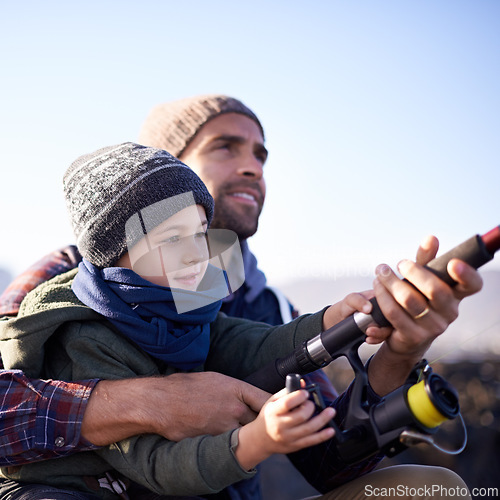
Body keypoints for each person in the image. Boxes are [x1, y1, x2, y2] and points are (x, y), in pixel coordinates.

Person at [0, 143, 472, 499]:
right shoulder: (75, 317)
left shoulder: (202, 293)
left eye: (201, 232)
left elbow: (257, 347)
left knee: (436, 487)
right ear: (111, 255)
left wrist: (340, 320)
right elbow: (155, 463)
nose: (251, 166)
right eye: (225, 146)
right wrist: (253, 440)